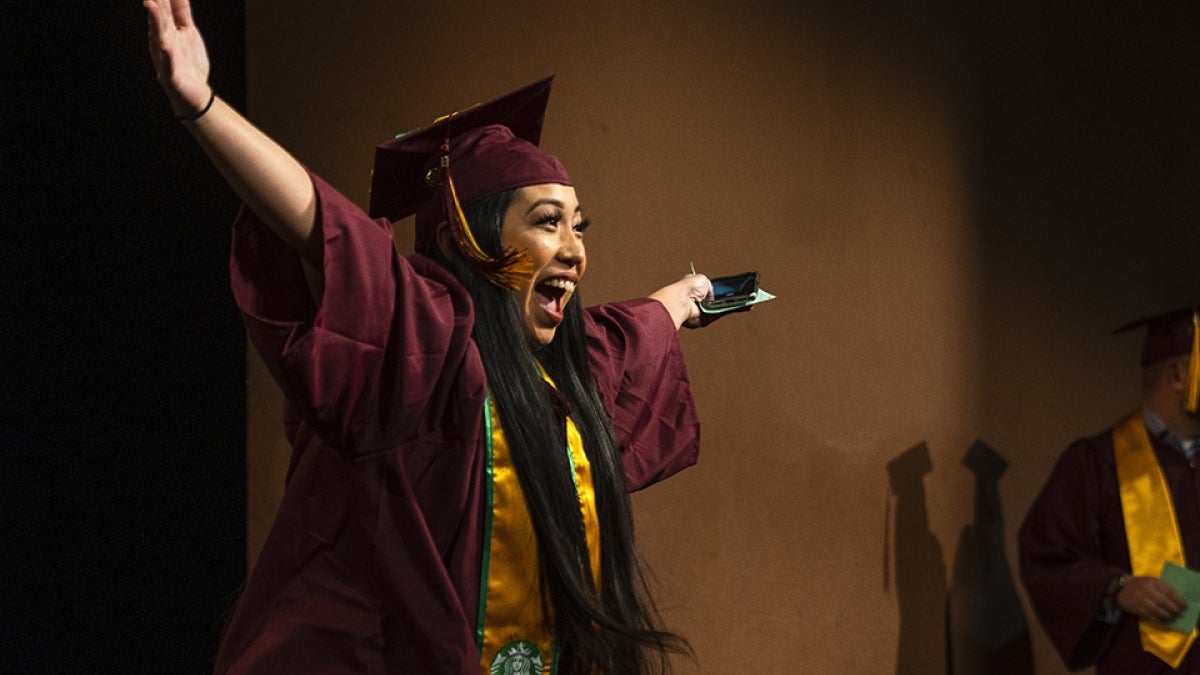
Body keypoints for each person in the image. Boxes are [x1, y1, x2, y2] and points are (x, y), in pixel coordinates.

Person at [144, 1, 730, 673]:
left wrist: (690, 297)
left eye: (579, 226)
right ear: (466, 240)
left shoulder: (565, 376)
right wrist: (201, 105)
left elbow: (637, 328)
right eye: (548, 222)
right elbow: (323, 226)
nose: (574, 252)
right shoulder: (425, 346)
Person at [1019, 305, 1200, 674]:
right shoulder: (1098, 462)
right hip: (1144, 664)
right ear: (1178, 375)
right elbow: (1047, 557)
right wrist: (1115, 586)